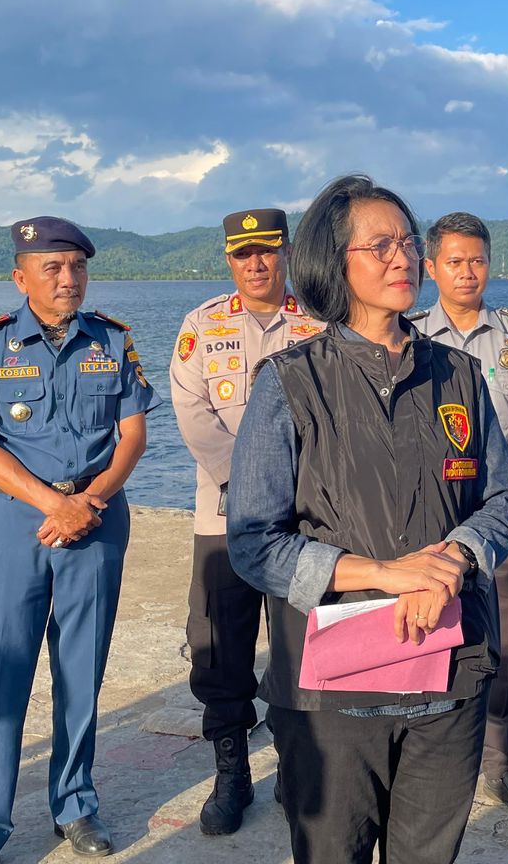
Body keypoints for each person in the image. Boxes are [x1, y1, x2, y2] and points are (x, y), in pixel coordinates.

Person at [227, 175, 508, 864]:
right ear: (335, 263)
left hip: (448, 676)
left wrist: (454, 558)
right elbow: (253, 542)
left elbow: (506, 499)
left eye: (408, 242)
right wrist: (387, 575)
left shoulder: (459, 374)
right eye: (380, 245)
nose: (403, 258)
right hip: (333, 691)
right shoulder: (290, 381)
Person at [0, 216, 161, 864]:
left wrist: (88, 502)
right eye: (53, 267)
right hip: (17, 520)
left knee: (80, 669)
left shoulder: (113, 340)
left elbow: (132, 435)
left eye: (77, 266)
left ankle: (75, 805)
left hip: (96, 519)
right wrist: (54, 505)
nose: (69, 278)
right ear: (21, 277)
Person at [170, 207, 325, 835]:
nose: (255, 263)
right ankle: (230, 771)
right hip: (224, 516)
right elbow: (191, 409)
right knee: (219, 648)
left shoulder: (321, 320)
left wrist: (290, 487)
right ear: (228, 258)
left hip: (306, 518)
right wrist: (249, 482)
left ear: (285, 252)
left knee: (301, 644)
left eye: (266, 250)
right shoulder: (202, 325)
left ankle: (294, 766)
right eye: (243, 253)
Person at [414, 211, 508, 821]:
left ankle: (503, 763)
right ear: (431, 267)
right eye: (454, 261)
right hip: (434, 516)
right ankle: (433, 758)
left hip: (505, 514)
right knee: (431, 635)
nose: (467, 272)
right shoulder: (413, 335)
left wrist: (500, 491)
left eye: (477, 260)